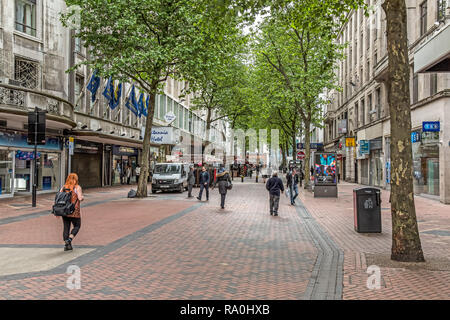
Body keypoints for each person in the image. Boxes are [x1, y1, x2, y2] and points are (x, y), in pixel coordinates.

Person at [57, 173, 84, 251]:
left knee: (66, 227)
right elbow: (79, 198)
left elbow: (59, 198)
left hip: (64, 210)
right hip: (74, 210)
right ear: (76, 179)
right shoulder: (77, 187)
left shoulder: (63, 187)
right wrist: (82, 197)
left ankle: (67, 245)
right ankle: (70, 239)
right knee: (77, 225)